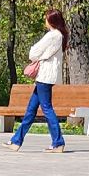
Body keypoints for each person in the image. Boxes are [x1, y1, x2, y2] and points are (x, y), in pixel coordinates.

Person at [4, 9, 68, 153]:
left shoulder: (52, 35)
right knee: (31, 111)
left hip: (45, 76)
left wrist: (35, 54)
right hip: (46, 77)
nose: (45, 21)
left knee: (46, 108)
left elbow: (33, 53)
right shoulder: (60, 36)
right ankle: (16, 141)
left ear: (51, 21)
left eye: (46, 18)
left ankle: (58, 142)